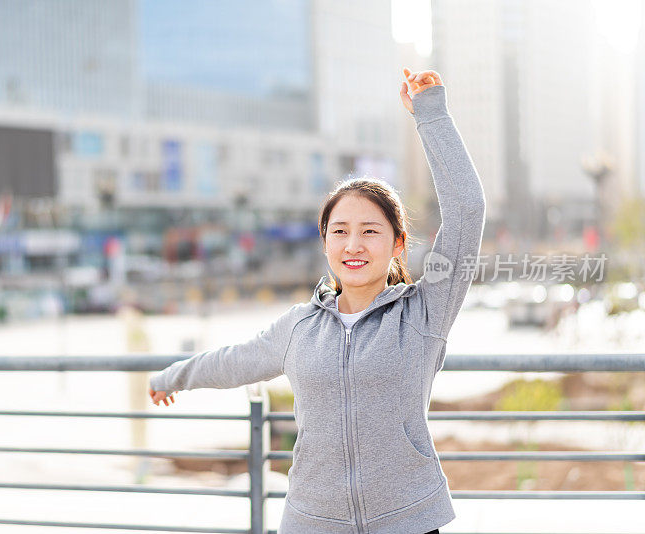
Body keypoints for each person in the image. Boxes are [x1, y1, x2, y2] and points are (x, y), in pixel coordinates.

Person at [148, 68, 486, 534]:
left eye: (370, 232)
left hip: (408, 520)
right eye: (340, 232)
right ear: (324, 242)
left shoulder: (425, 312)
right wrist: (174, 376)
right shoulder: (299, 327)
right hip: (312, 521)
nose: (354, 246)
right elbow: (235, 361)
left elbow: (467, 209)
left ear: (398, 244)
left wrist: (431, 114)